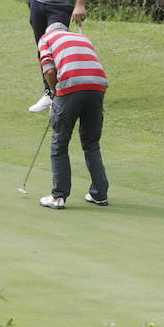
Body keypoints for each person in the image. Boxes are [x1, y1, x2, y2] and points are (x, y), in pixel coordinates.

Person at [35, 21, 109, 210]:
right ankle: (99, 194)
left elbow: (49, 70)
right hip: (98, 86)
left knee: (59, 142)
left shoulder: (46, 38)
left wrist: (55, 95)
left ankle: (58, 196)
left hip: (71, 85)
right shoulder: (82, 37)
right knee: (91, 144)